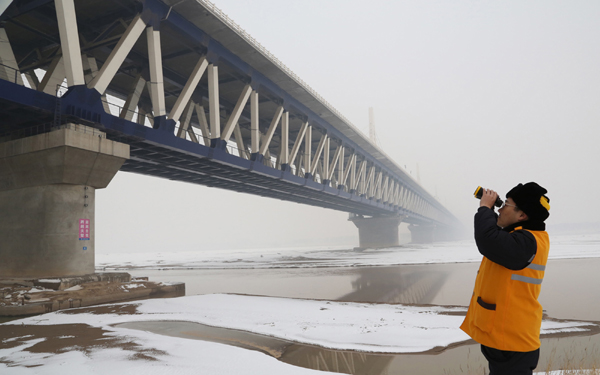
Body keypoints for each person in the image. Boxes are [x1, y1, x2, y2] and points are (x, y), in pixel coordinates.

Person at [460, 182, 551, 375]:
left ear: (522, 215)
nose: (500, 209)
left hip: (512, 339)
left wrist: (485, 208)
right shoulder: (519, 237)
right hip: (506, 335)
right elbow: (494, 235)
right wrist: (492, 210)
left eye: (506, 205)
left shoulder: (526, 242)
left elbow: (488, 239)